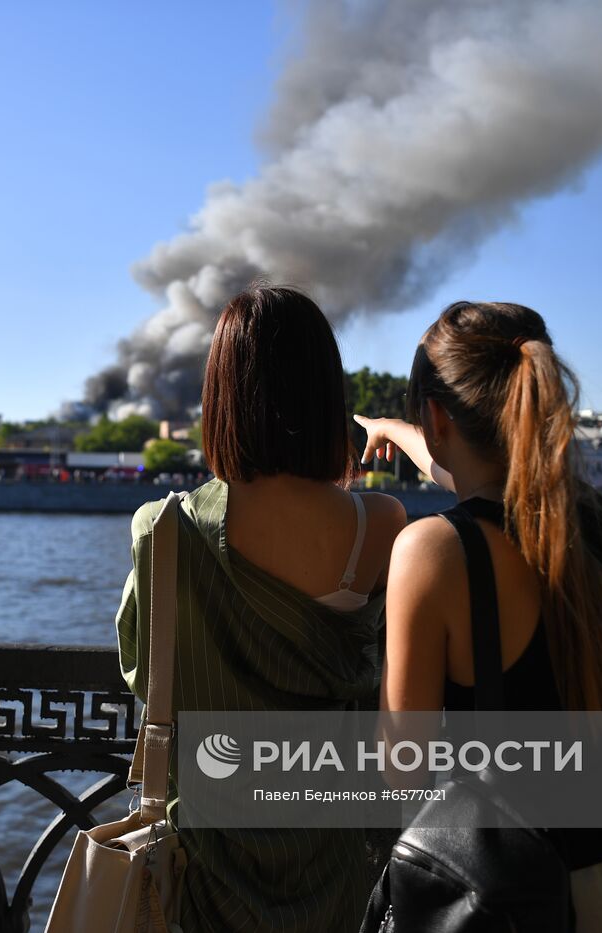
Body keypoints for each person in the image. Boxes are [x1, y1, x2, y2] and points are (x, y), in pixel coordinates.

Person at [356, 300, 602, 932]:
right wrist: (395, 428)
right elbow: (477, 469)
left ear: (439, 416)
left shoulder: (431, 552)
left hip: (546, 888)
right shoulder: (592, 519)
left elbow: (403, 769)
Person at [115, 285, 407, 932]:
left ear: (221, 394)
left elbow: (143, 672)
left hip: (209, 854)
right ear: (328, 395)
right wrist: (396, 437)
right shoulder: (379, 522)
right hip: (342, 853)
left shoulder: (163, 528)